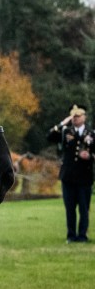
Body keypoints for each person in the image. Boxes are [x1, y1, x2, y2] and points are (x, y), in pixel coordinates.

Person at [47, 104, 93, 243]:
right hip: (68, 177)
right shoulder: (65, 132)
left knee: (84, 209)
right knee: (70, 209)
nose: (75, 119)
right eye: (73, 116)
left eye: (78, 116)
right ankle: (71, 236)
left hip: (85, 177)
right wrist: (62, 123)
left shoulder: (91, 134)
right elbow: (49, 136)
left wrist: (90, 156)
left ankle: (82, 236)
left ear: (84, 117)